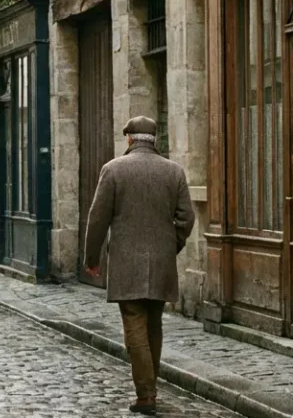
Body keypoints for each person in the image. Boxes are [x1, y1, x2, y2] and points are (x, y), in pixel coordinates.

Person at [84, 116, 194, 415]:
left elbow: (98, 218)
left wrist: (92, 258)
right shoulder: (173, 171)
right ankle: (150, 388)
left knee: (134, 325)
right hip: (161, 262)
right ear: (154, 140)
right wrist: (171, 246)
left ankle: (146, 395)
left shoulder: (113, 169)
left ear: (130, 139)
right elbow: (187, 217)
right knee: (154, 324)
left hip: (126, 263)